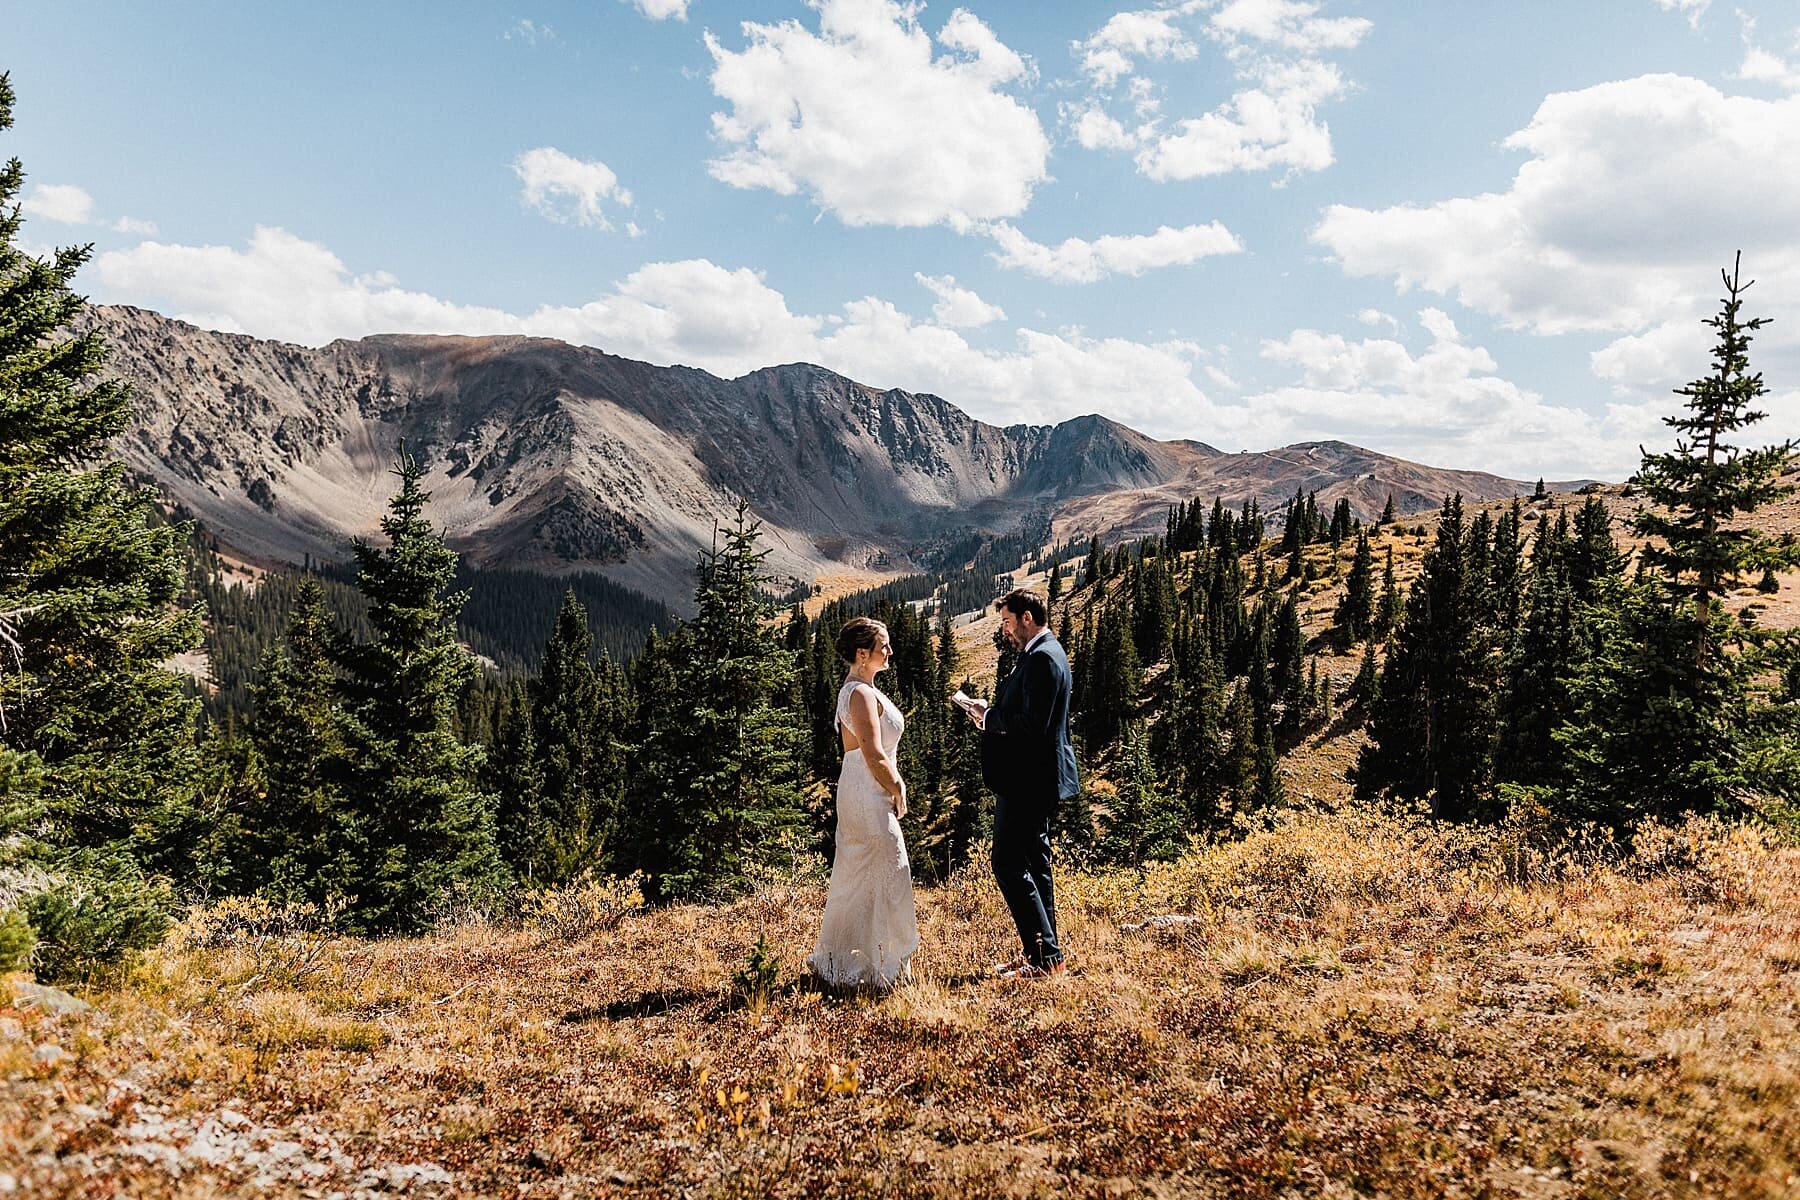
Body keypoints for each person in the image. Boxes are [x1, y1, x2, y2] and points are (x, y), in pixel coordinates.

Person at [962, 588, 1078, 979]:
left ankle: (1043, 957)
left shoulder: (1043, 659)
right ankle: (1045, 955)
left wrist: (989, 716)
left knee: (1008, 863)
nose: (1006, 631)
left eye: (1008, 622)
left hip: (1029, 779)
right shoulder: (1045, 653)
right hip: (1036, 777)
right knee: (1035, 863)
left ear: (1027, 617)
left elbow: (1032, 727)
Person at [807, 617, 919, 990]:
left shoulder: (859, 690)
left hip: (859, 788)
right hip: (867, 791)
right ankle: (879, 966)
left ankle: (850, 962)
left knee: (860, 875)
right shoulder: (859, 694)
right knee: (892, 869)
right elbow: (873, 752)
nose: (889, 651)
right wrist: (898, 787)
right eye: (882, 645)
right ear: (862, 653)